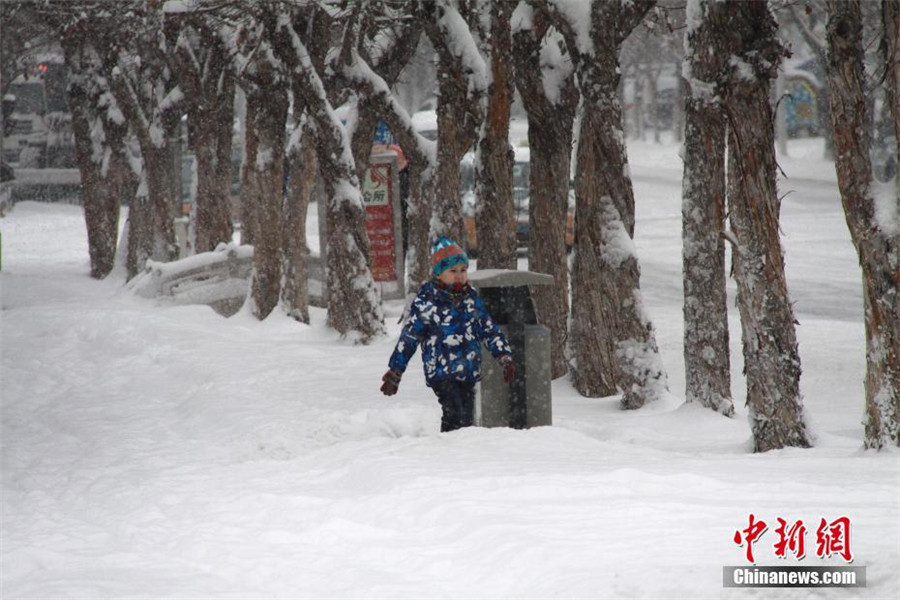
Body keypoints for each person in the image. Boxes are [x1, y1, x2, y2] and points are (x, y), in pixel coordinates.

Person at [380, 237, 516, 432]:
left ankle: (461, 451)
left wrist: (504, 356)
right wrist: (396, 371)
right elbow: (409, 339)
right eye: (452, 271)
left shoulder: (471, 299)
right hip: (442, 370)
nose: (459, 276)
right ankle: (449, 450)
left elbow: (489, 329)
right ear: (439, 273)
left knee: (467, 416)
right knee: (454, 412)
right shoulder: (427, 302)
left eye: (463, 270)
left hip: (468, 369)